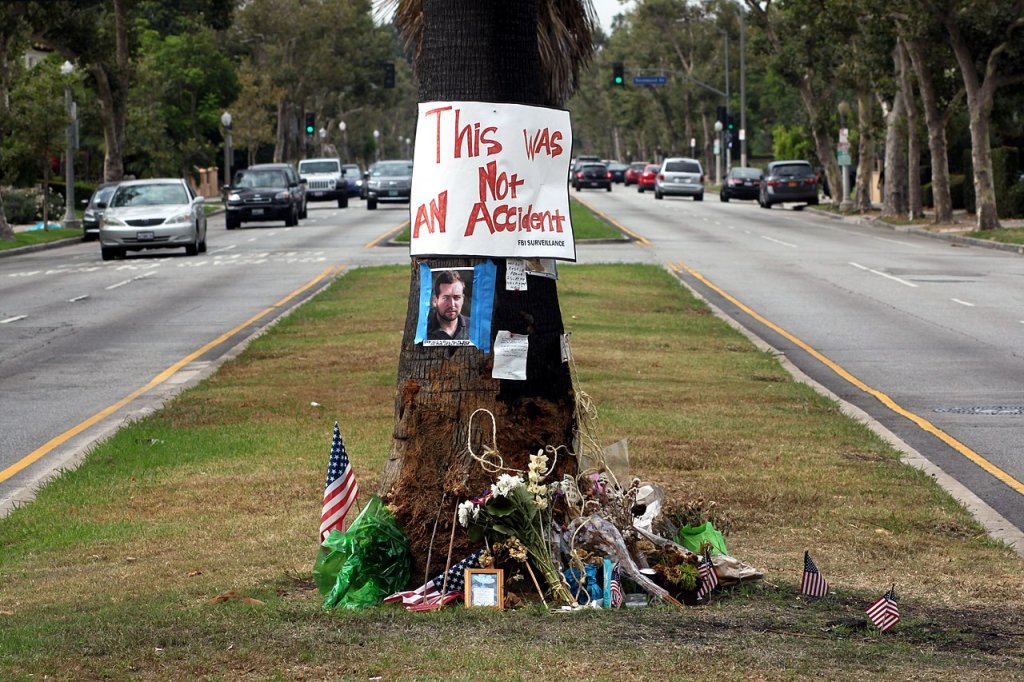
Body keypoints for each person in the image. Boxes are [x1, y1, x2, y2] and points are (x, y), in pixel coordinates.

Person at [426, 269, 469, 341]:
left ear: (463, 299)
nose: (452, 304)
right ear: (435, 300)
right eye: (446, 298)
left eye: (457, 298)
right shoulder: (424, 330)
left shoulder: (475, 329)